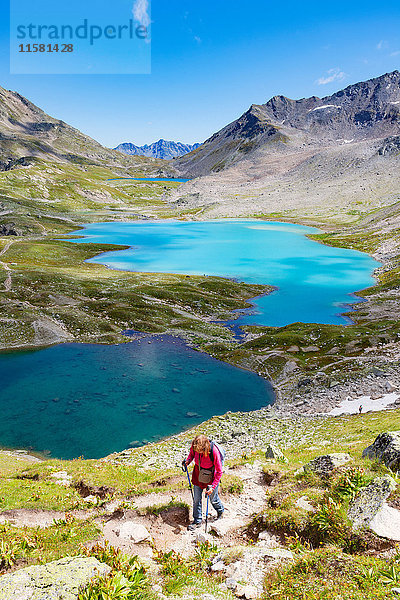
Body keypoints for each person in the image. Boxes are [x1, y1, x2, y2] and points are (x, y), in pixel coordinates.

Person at [183, 434, 224, 531]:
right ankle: (197, 521)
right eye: (196, 449)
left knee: (213, 498)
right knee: (197, 499)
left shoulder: (213, 451)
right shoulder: (195, 446)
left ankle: (220, 510)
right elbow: (191, 455)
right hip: (198, 474)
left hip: (211, 476)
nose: (197, 451)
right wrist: (188, 461)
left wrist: (213, 487)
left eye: (199, 450)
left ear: (205, 447)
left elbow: (219, 471)